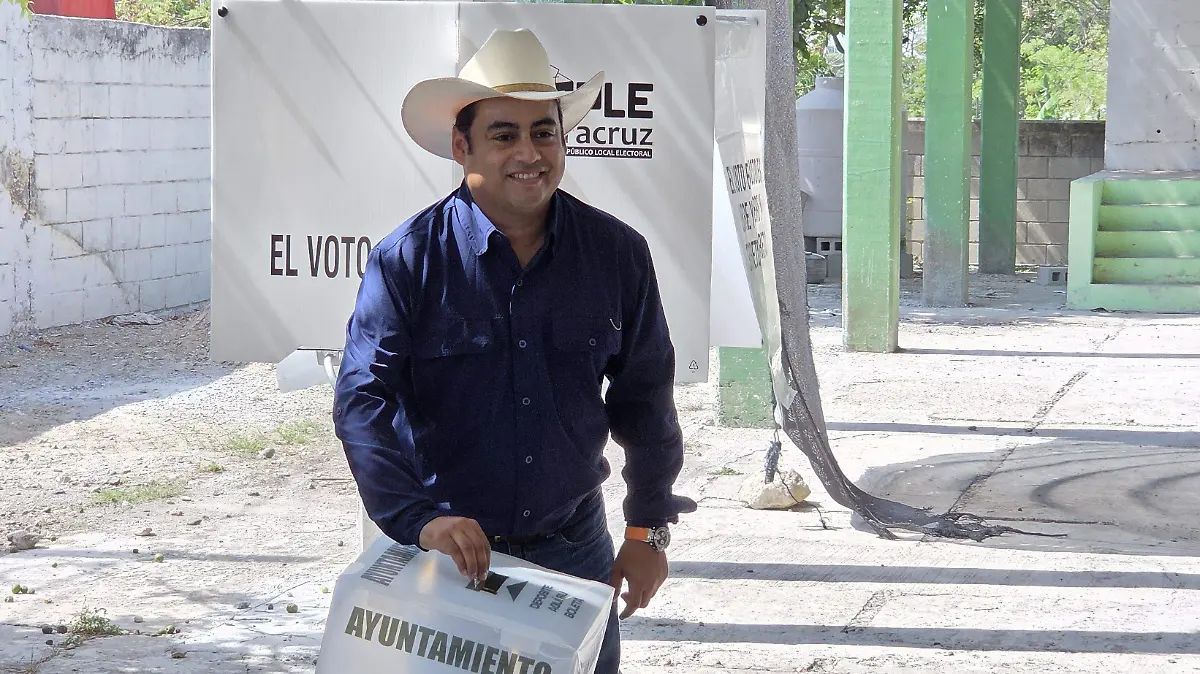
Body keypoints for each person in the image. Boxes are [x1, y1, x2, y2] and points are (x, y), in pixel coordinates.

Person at [331, 27, 696, 674]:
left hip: (575, 549)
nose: (528, 152)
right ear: (461, 145)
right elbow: (363, 401)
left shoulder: (617, 256)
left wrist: (646, 529)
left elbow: (646, 399)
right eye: (504, 134)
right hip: (447, 556)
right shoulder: (408, 263)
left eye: (544, 132)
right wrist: (418, 520)